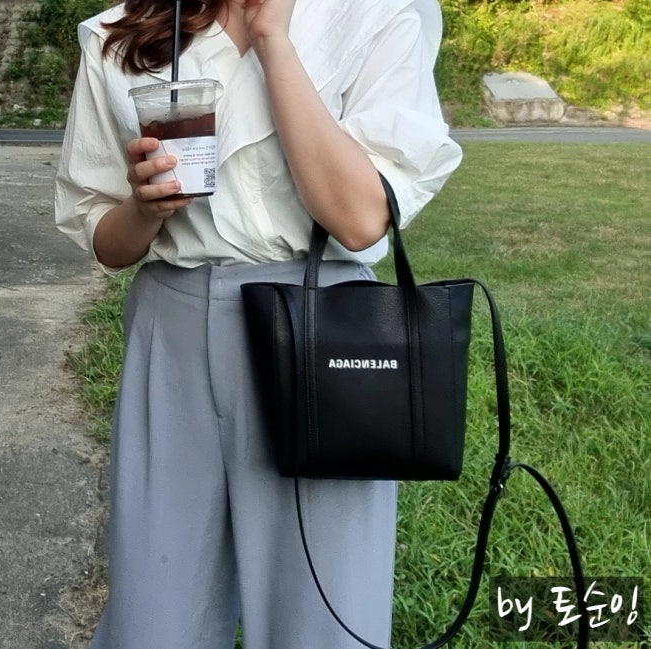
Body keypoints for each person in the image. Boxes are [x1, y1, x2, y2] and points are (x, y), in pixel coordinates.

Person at [55, 0, 462, 647]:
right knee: (154, 618)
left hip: (322, 338)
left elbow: (359, 218)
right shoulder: (121, 32)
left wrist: (274, 39)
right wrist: (145, 207)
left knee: (323, 620)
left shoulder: (374, 15)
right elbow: (105, 238)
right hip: (173, 331)